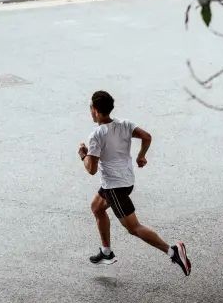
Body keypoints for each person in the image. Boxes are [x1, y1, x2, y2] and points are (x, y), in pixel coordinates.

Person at [77, 90, 191, 276]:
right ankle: (107, 252)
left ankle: (173, 251)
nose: (90, 111)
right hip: (126, 181)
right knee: (96, 208)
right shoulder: (125, 124)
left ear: (96, 110)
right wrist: (141, 156)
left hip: (114, 187)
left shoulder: (96, 135)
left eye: (91, 108)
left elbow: (91, 169)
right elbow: (147, 137)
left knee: (134, 228)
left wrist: (83, 154)